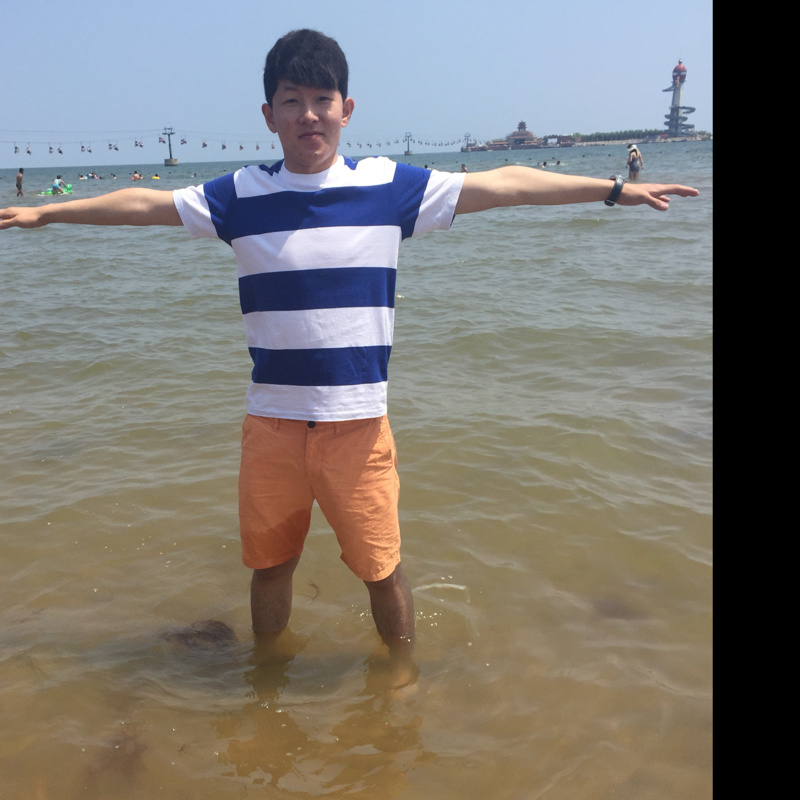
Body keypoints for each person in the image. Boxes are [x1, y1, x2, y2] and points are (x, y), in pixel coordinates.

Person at [0, 28, 698, 684]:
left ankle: (400, 682)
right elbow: (141, 205)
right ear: (269, 115)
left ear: (346, 109)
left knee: (382, 570)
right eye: (292, 101)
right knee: (270, 566)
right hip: (271, 425)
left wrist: (613, 190)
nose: (309, 115)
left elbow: (506, 184)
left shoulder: (390, 187)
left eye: (322, 99)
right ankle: (267, 677)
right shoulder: (239, 195)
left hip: (358, 427)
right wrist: (44, 213)